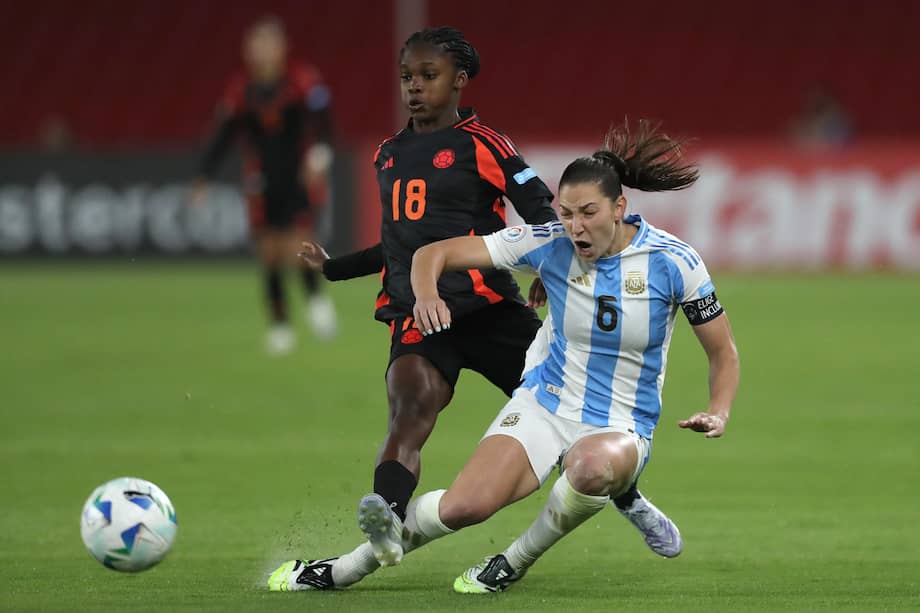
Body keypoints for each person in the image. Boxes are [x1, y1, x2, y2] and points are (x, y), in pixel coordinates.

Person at [269, 120, 740, 592]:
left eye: (588, 213)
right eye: (567, 213)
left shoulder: (674, 261)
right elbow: (432, 253)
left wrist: (718, 411)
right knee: (463, 507)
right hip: (545, 404)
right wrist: (427, 294)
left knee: (590, 467)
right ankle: (340, 570)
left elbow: (723, 353)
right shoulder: (550, 243)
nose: (575, 226)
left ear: (619, 208)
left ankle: (512, 562)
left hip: (621, 423)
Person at [295, 25, 680, 568]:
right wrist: (334, 268)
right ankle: (388, 517)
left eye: (428, 75)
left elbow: (539, 203)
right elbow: (398, 244)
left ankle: (628, 496)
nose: (414, 86)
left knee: (571, 411)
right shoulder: (387, 154)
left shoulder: (483, 144)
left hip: (490, 310)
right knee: (410, 408)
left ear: (459, 80)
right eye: (407, 76)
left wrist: (555, 264)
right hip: (419, 311)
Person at [192, 15, 337, 354]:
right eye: (256, 45)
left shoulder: (301, 80)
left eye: (268, 44)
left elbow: (324, 121)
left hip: (298, 176)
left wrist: (320, 155)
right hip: (261, 180)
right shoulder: (241, 89)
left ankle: (316, 301)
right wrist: (204, 176)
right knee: (270, 254)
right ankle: (280, 326)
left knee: (300, 247)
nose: (262, 51)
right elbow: (224, 135)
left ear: (282, 47)